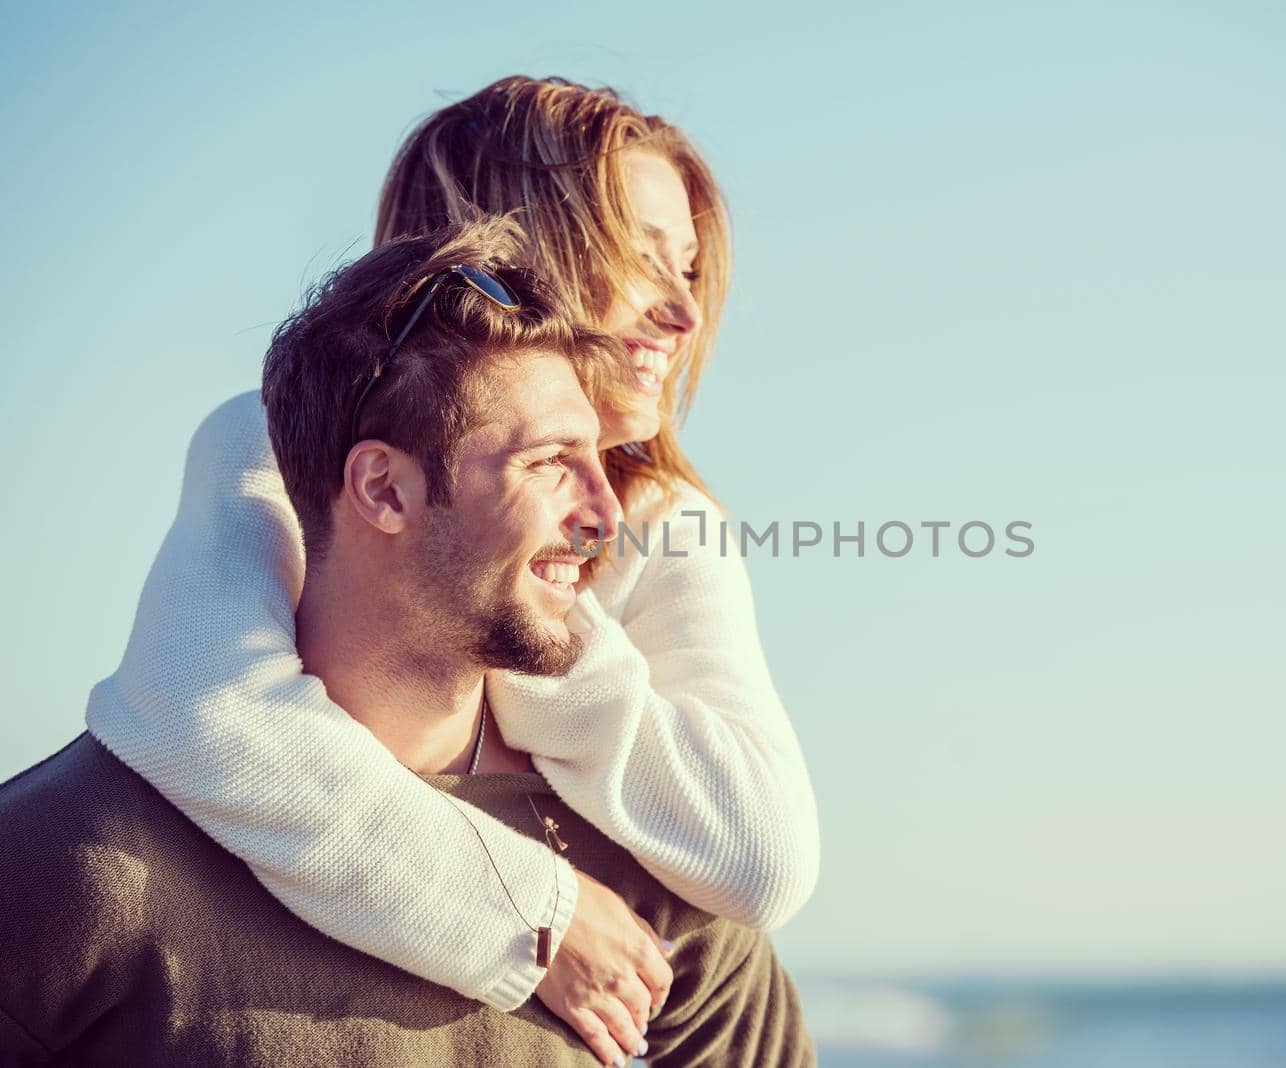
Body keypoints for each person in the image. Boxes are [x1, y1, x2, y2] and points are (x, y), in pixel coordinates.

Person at [84, 78, 819, 1063]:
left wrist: (531, 620)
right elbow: (203, 711)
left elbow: (760, 860)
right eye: (643, 260)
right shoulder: (275, 442)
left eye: (688, 267)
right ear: (502, 247)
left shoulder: (666, 524)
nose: (685, 312)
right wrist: (535, 916)